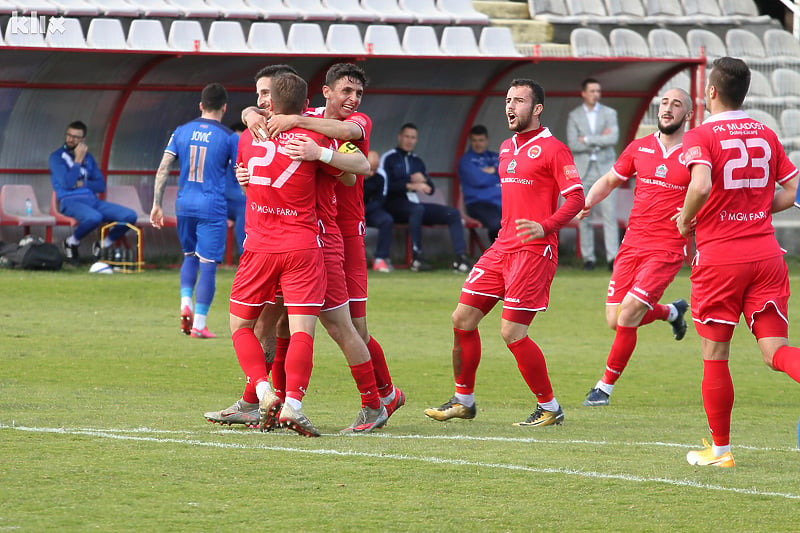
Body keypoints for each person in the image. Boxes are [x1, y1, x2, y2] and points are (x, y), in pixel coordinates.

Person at [424, 78, 584, 427]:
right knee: (461, 320)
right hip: (502, 248)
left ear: (537, 109)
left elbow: (576, 198)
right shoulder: (505, 147)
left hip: (534, 251)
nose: (511, 107)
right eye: (508, 100)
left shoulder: (554, 148)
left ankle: (550, 408)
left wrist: (545, 226)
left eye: (520, 101)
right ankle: (463, 400)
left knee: (512, 333)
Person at [230, 72, 371, 437]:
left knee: (340, 326)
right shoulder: (309, 129)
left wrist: (320, 153)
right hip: (300, 243)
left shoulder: (307, 130)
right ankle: (275, 403)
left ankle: (376, 399)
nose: (260, 103)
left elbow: (360, 168)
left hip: (308, 242)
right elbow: (352, 176)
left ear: (274, 102)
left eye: (265, 96)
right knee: (280, 326)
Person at [676, 57, 800, 467]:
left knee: (715, 353)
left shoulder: (699, 135)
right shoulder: (765, 133)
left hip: (721, 259)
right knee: (775, 350)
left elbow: (701, 183)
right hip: (767, 254)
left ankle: (722, 451)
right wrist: (759, 210)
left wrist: (684, 217)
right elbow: (792, 188)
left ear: (710, 92)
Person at [578, 88, 693, 407]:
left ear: (689, 115)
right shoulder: (639, 147)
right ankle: (672, 311)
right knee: (615, 319)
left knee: (627, 315)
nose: (668, 109)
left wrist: (694, 217)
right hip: (632, 246)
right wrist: (587, 200)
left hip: (666, 249)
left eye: (676, 105)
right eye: (664, 103)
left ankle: (603, 389)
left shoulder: (696, 152)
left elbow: (708, 191)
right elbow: (610, 180)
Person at [150, 83, 238, 339]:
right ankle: (199, 323)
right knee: (208, 265)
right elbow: (239, 172)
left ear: (200, 105)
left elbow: (164, 167)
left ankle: (185, 300)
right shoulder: (229, 137)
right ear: (224, 107)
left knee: (189, 256)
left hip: (184, 204)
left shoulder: (181, 131)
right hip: (212, 206)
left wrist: (157, 204)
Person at [380, 123, 471, 273]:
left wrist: (425, 182)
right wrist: (409, 185)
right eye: (407, 137)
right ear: (400, 137)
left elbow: (430, 189)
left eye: (413, 138)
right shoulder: (389, 158)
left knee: (453, 214)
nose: (410, 141)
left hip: (415, 206)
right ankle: (417, 258)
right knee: (417, 209)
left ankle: (461, 259)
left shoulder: (417, 161)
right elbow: (384, 187)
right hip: (393, 205)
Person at [49, 121, 138, 266]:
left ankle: (103, 245)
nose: (70, 139)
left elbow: (101, 185)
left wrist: (83, 183)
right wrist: (77, 160)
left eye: (75, 137)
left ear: (83, 140)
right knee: (95, 218)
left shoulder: (89, 158)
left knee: (129, 216)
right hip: (70, 201)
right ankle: (71, 242)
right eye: (69, 135)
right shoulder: (56, 157)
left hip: (92, 200)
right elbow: (67, 183)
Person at [567, 78, 620, 270]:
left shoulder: (610, 113)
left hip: (606, 171)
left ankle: (612, 258)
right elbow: (573, 143)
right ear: (583, 93)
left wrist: (587, 138)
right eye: (592, 91)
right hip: (583, 170)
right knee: (584, 216)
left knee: (609, 215)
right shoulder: (574, 115)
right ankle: (588, 258)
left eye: (598, 91)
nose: (595, 94)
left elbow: (613, 138)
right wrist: (600, 139)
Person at [457, 125, 501, 243]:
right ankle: (500, 256)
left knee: (524, 219)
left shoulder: (496, 157)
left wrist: (495, 171)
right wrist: (499, 175)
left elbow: (512, 172)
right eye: (474, 140)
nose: (478, 144)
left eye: (481, 140)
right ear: (470, 141)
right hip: (479, 204)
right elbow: (479, 180)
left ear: (487, 140)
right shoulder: (466, 161)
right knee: (497, 223)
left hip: (503, 202)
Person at [364, 150, 394, 272]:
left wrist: (364, 211)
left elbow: (379, 200)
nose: (371, 173)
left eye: (375, 170)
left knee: (386, 220)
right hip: (351, 211)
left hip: (368, 211)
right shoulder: (352, 174)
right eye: (369, 169)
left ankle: (380, 258)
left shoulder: (380, 178)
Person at [226, 121, 247, 256]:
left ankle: (245, 256)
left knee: (246, 206)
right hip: (220, 201)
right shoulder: (221, 153)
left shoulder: (248, 154)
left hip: (240, 203)